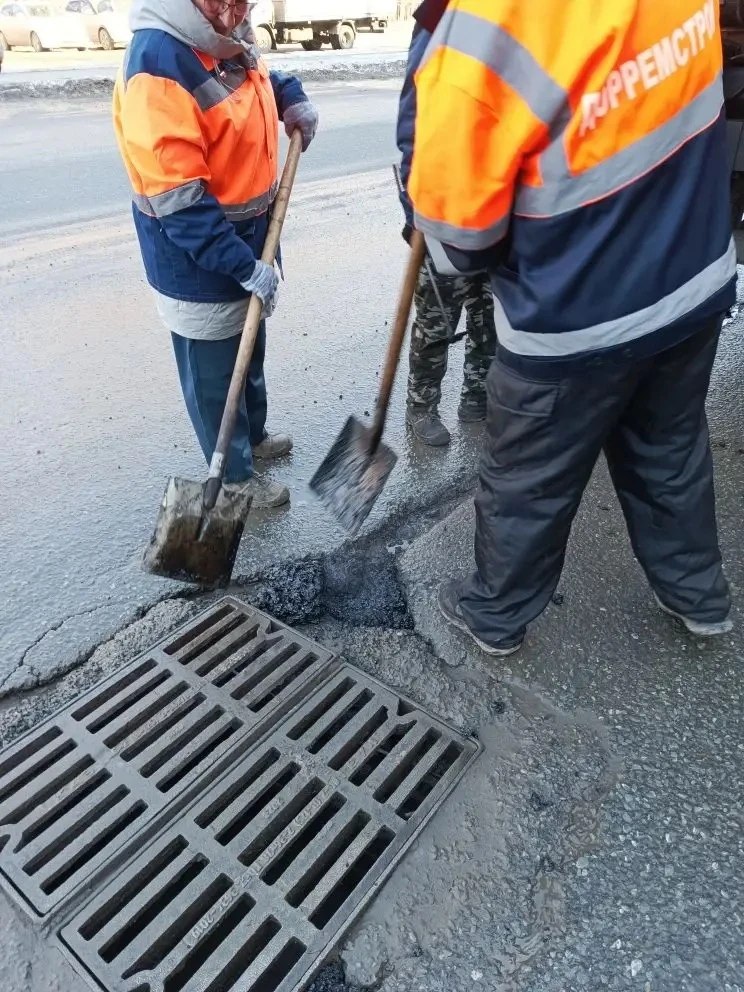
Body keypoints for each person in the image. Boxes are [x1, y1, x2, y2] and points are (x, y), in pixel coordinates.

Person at [408, 0, 736, 655]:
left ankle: (495, 617)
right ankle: (699, 599)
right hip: (690, 282)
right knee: (669, 454)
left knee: (530, 482)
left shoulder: (485, 27)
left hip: (575, 316)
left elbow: (461, 238)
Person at [113, 0, 318, 507]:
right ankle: (232, 477)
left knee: (248, 351)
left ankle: (255, 436)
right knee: (214, 373)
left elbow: (257, 84)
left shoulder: (222, 38)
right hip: (195, 256)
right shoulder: (158, 61)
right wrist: (242, 266)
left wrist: (291, 97)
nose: (232, 9)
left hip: (248, 240)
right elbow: (179, 200)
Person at [396, 19, 496, 447]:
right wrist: (416, 207)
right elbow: (411, 134)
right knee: (436, 319)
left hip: (496, 208)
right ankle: (421, 407)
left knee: (488, 316)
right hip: (444, 209)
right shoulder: (439, 26)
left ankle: (478, 398)